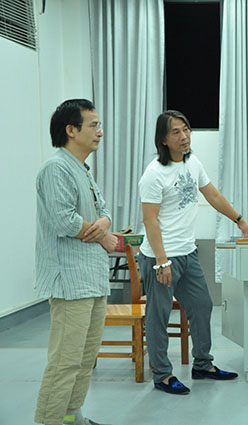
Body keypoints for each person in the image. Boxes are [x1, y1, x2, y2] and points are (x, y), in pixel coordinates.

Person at [138, 110, 248, 395]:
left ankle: (203, 364)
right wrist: (162, 262)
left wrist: (239, 220)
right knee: (158, 316)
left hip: (187, 253)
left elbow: (212, 194)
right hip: (160, 256)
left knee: (202, 306)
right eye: (176, 132)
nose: (184, 136)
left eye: (186, 129)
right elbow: (150, 221)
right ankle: (163, 375)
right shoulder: (154, 174)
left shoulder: (193, 163)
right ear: (163, 139)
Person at [34, 99, 118, 425]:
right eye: (93, 125)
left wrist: (105, 222)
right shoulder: (56, 168)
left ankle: (71, 417)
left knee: (85, 359)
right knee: (65, 361)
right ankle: (49, 421)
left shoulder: (82, 168)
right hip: (70, 281)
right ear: (71, 130)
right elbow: (65, 221)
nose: (100, 132)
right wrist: (104, 236)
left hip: (92, 278)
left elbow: (103, 210)